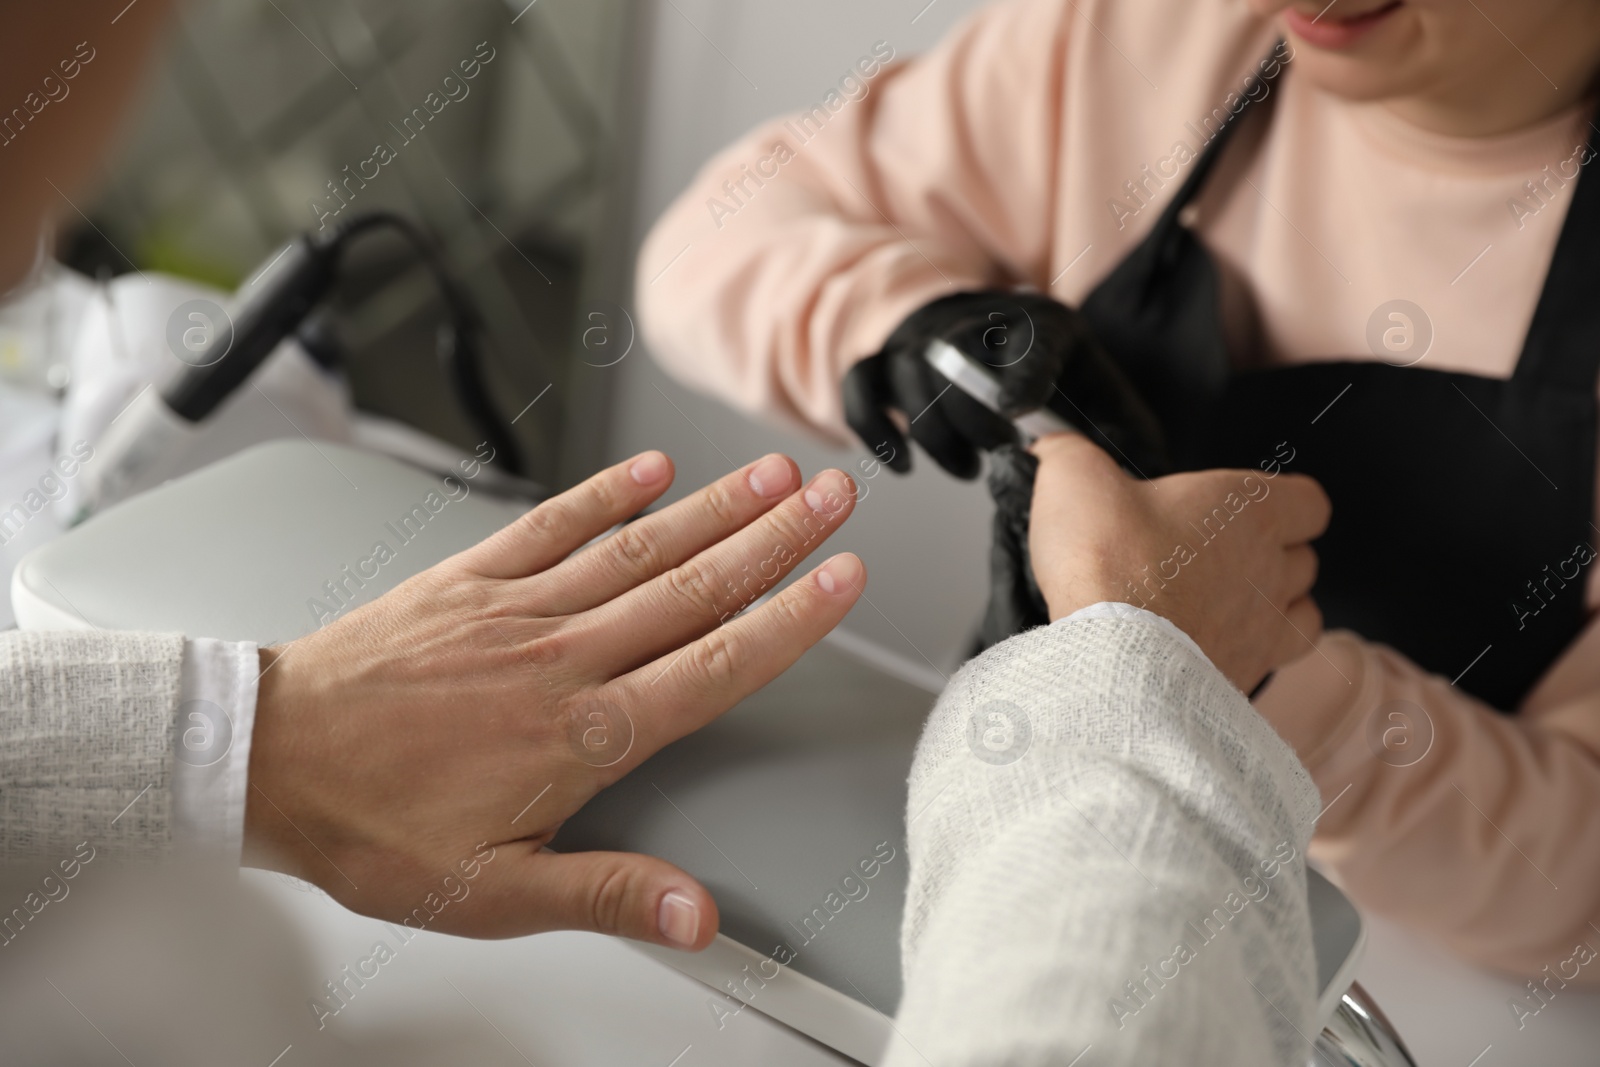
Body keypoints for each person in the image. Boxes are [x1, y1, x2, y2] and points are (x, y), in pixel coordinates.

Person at [636, 0, 1600, 979]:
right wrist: (907, 316)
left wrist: (1247, 677)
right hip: (999, 872)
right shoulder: (1142, 33)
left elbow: (1583, 897)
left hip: (1402, 993)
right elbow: (711, 243)